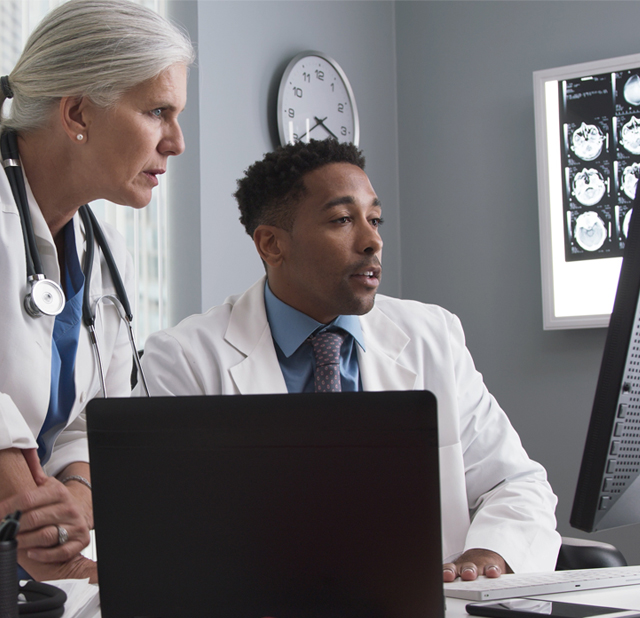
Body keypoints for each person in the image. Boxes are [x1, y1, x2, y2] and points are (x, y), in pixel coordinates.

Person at [140, 139, 561, 581]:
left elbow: (514, 482)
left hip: (418, 616)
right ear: (271, 244)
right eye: (343, 220)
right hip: (265, 615)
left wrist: (487, 556)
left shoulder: (432, 335)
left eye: (374, 219)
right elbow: (165, 527)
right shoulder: (185, 358)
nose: (372, 240)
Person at [0, 0, 194, 583]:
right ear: (78, 111)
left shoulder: (105, 255)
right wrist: (27, 510)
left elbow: (90, 418)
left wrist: (76, 506)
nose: (176, 142)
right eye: (159, 111)